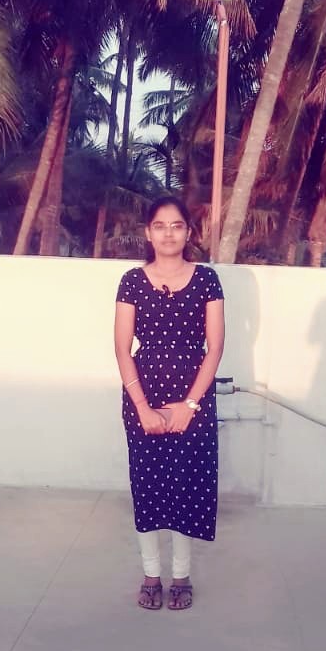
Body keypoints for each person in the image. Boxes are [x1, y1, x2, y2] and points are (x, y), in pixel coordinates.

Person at [114, 196, 225, 611]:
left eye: (177, 225)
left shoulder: (207, 279)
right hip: (143, 398)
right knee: (147, 488)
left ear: (188, 232)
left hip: (194, 402)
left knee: (186, 488)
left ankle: (181, 576)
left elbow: (215, 348)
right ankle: (150, 575)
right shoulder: (131, 281)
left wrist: (188, 406)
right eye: (159, 226)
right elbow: (123, 349)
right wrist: (143, 408)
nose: (168, 233)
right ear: (148, 233)